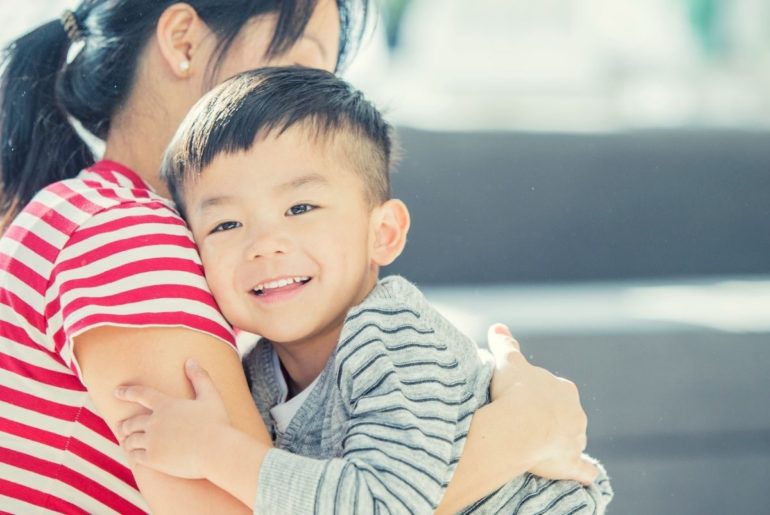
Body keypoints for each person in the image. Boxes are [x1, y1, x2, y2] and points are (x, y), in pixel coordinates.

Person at [0, 1, 598, 513]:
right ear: (182, 41)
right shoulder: (126, 236)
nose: (314, 101)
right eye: (302, 65)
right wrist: (518, 436)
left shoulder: (89, 210)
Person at [114, 66, 613, 514]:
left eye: (300, 209)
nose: (264, 245)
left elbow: (380, 505)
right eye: (225, 224)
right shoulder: (258, 373)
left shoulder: (394, 337)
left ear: (383, 234)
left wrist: (214, 450)